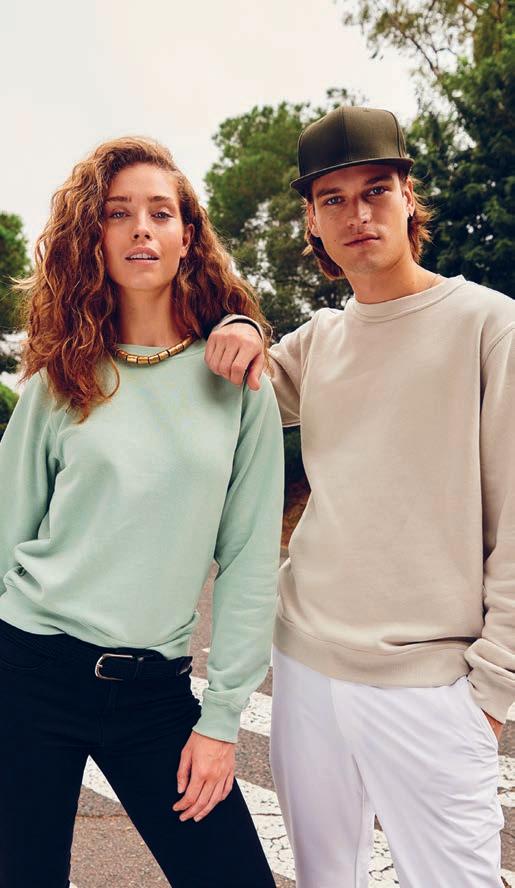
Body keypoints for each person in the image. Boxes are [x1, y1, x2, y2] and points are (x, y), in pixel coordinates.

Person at [205, 105, 515, 887]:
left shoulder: (489, 326)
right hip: (304, 666)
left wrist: (490, 692)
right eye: (332, 199)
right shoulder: (316, 342)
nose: (357, 215)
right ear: (312, 220)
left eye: (375, 190)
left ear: (408, 197)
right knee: (322, 878)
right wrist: (238, 319)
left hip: (432, 683)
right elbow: (220, 396)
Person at [0, 136, 283, 888]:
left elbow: (250, 558)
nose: (140, 230)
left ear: (188, 236)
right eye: (117, 213)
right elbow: (4, 536)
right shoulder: (58, 382)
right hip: (29, 670)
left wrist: (222, 719)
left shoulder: (237, 382)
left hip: (153, 690)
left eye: (160, 213)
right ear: (93, 236)